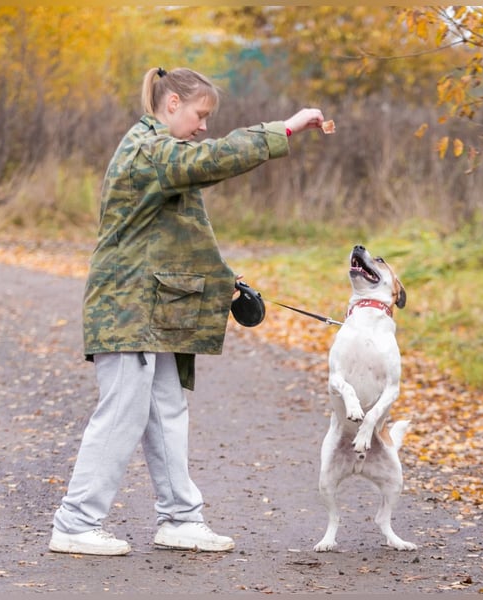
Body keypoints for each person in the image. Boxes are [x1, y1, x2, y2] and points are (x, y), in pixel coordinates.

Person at [48, 66, 325, 556]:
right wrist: (283, 128)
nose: (203, 126)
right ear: (172, 102)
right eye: (200, 114)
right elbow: (213, 159)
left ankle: (180, 519)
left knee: (166, 410)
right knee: (122, 413)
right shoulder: (149, 149)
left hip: (153, 309)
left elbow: (175, 239)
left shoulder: (161, 153)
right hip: (127, 308)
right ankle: (75, 522)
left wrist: (225, 282)